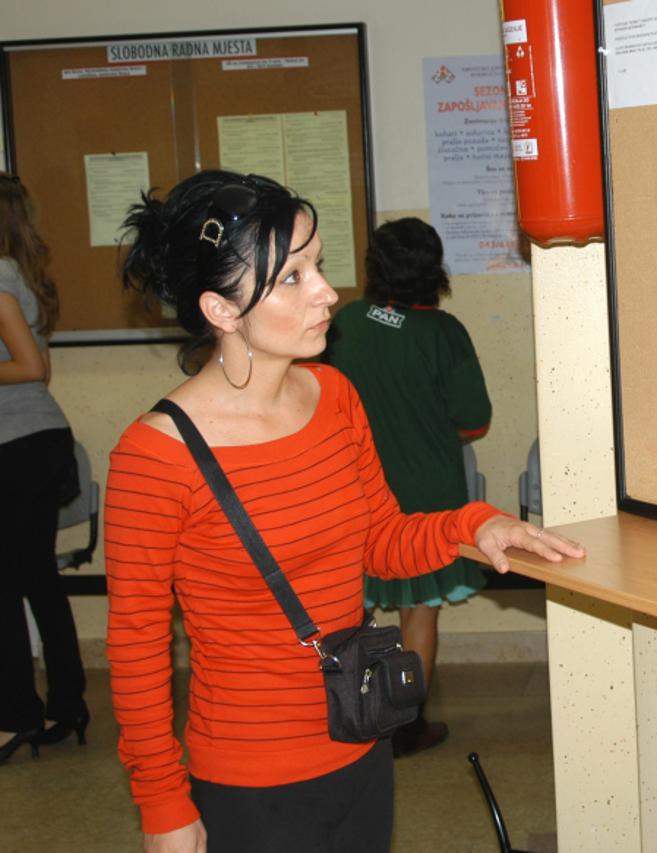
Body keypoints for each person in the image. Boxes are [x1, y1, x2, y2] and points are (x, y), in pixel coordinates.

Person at [105, 170, 582, 853]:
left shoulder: (334, 395)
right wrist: (162, 806)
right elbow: (137, 646)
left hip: (359, 740)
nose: (327, 291)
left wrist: (473, 524)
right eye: (292, 277)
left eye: (319, 265)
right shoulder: (155, 455)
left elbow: (380, 540)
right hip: (249, 779)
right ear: (221, 310)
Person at [326, 217, 490, 757]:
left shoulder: (345, 323)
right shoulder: (444, 333)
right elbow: (474, 421)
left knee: (349, 608)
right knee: (419, 610)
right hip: (426, 494)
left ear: (374, 268)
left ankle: (350, 716)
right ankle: (406, 726)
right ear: (434, 270)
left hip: (353, 487)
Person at [0, 172, 89, 766]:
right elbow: (42, 367)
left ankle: (16, 718)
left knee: (7, 585)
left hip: (18, 446)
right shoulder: (18, 273)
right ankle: (67, 705)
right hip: (36, 442)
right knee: (36, 579)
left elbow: (30, 369)